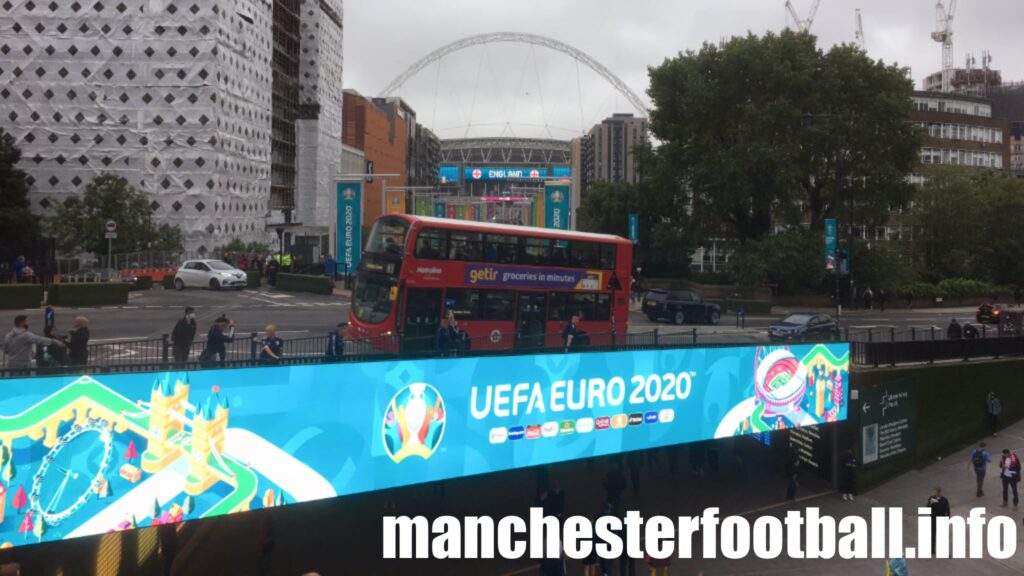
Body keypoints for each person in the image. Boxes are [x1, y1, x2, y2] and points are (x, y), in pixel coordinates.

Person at [926, 487, 950, 553]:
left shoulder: (944, 500)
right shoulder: (931, 499)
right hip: (933, 519)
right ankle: (932, 549)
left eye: (937, 492)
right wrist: (930, 504)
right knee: (933, 535)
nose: (936, 493)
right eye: (935, 492)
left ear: (940, 492)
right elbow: (927, 508)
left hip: (941, 519)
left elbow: (948, 510)